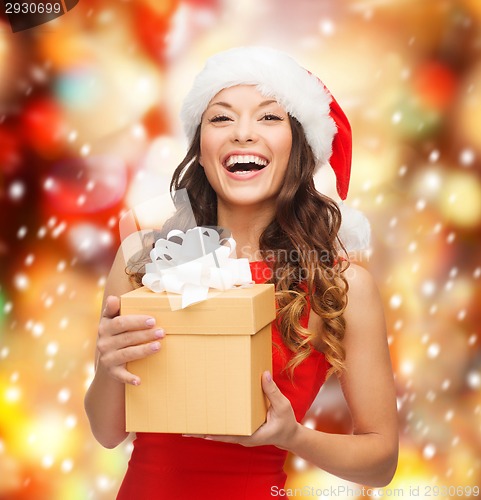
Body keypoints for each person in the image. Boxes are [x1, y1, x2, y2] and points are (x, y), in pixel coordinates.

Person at [84, 46, 399, 499]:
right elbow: (108, 432)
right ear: (201, 145)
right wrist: (110, 369)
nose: (243, 134)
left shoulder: (341, 285)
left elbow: (381, 461)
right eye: (221, 118)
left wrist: (293, 437)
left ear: (298, 144)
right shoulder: (141, 259)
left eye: (269, 118)